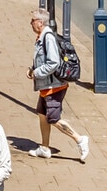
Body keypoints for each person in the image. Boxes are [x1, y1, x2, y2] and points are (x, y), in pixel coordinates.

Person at [29, 11, 89, 162]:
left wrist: (36, 72)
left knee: (53, 118)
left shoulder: (48, 38)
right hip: (46, 85)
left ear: (40, 23)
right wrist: (32, 69)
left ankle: (80, 140)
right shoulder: (42, 37)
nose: (31, 23)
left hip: (54, 86)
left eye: (33, 20)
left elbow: (53, 62)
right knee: (42, 115)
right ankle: (44, 148)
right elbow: (42, 59)